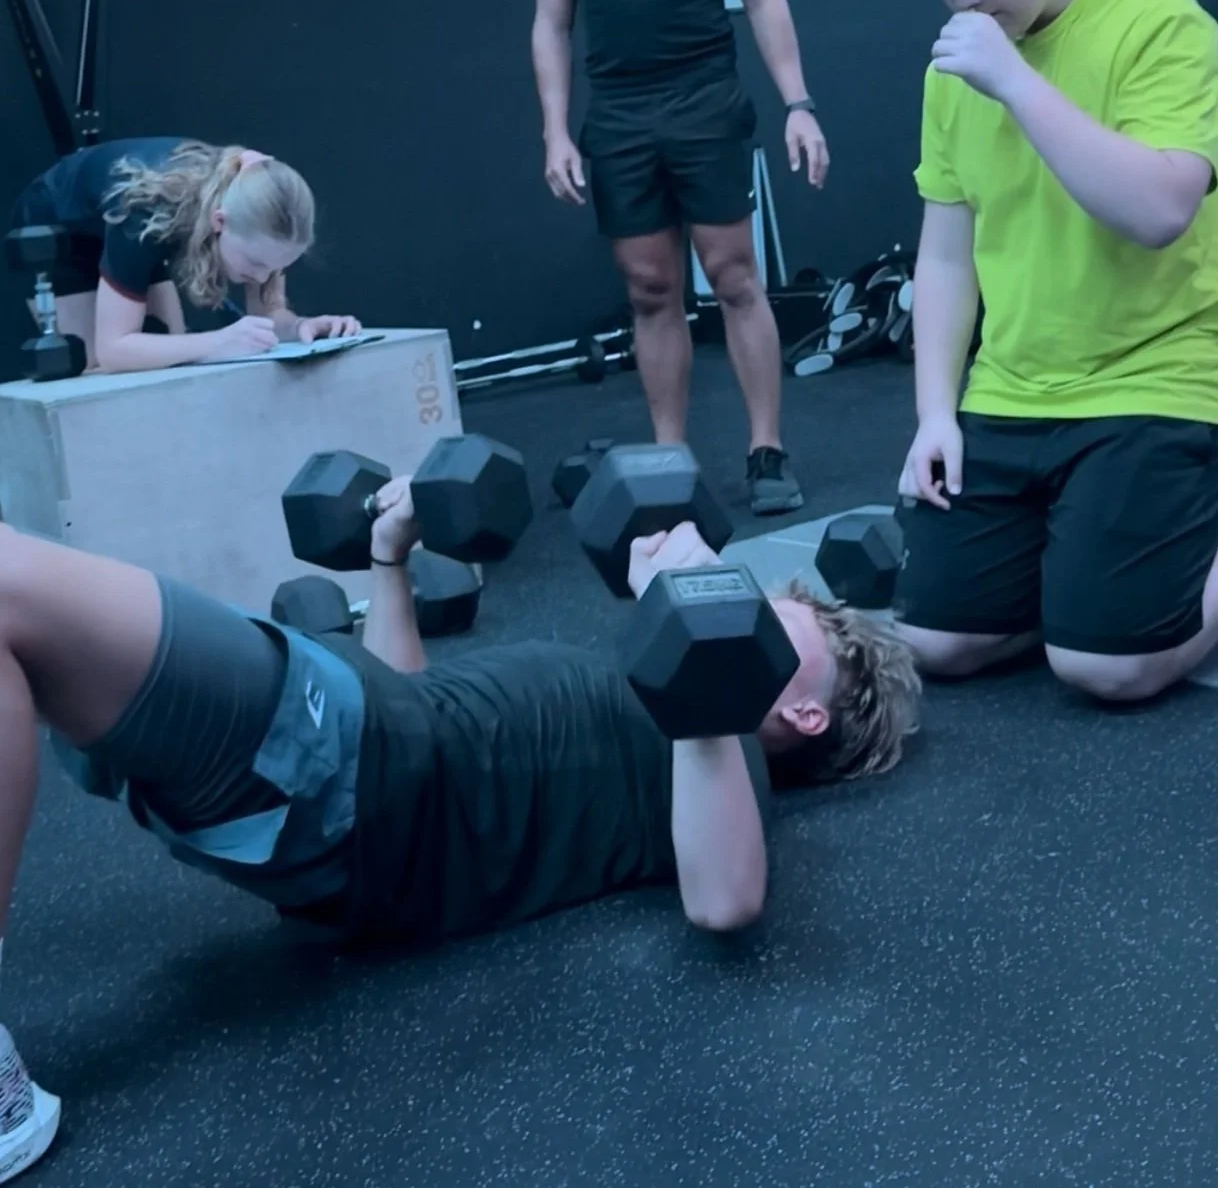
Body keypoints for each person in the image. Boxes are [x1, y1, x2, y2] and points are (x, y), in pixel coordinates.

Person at [0, 481, 921, 1180]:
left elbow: (726, 899)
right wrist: (389, 559)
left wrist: (700, 620)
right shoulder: (670, 708)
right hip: (360, 736)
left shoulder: (726, 758)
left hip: (343, 762)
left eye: (763, 618)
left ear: (804, 714)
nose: (735, 603)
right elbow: (421, 701)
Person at [877, 0, 1218, 703]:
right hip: (1015, 391)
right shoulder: (955, 66)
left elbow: (1157, 210)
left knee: (1104, 665)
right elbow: (947, 257)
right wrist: (935, 416)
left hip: (1155, 376)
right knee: (936, 639)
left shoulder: (1163, 28)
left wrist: (1017, 82)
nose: (962, 2)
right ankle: (1086, 575)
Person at [532, 0, 828, 516]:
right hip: (619, 117)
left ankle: (766, 451)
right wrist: (556, 130)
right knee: (651, 289)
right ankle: (672, 460)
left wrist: (798, 103)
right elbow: (551, 24)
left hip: (704, 101)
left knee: (736, 277)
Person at [5, 137, 361, 373]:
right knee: (99, 364)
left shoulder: (265, 219)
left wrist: (300, 327)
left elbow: (267, 314)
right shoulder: (143, 217)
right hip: (62, 224)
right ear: (220, 222)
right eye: (256, 265)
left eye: (279, 268)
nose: (265, 278)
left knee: (171, 352)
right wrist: (218, 341)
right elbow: (114, 351)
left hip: (144, 221)